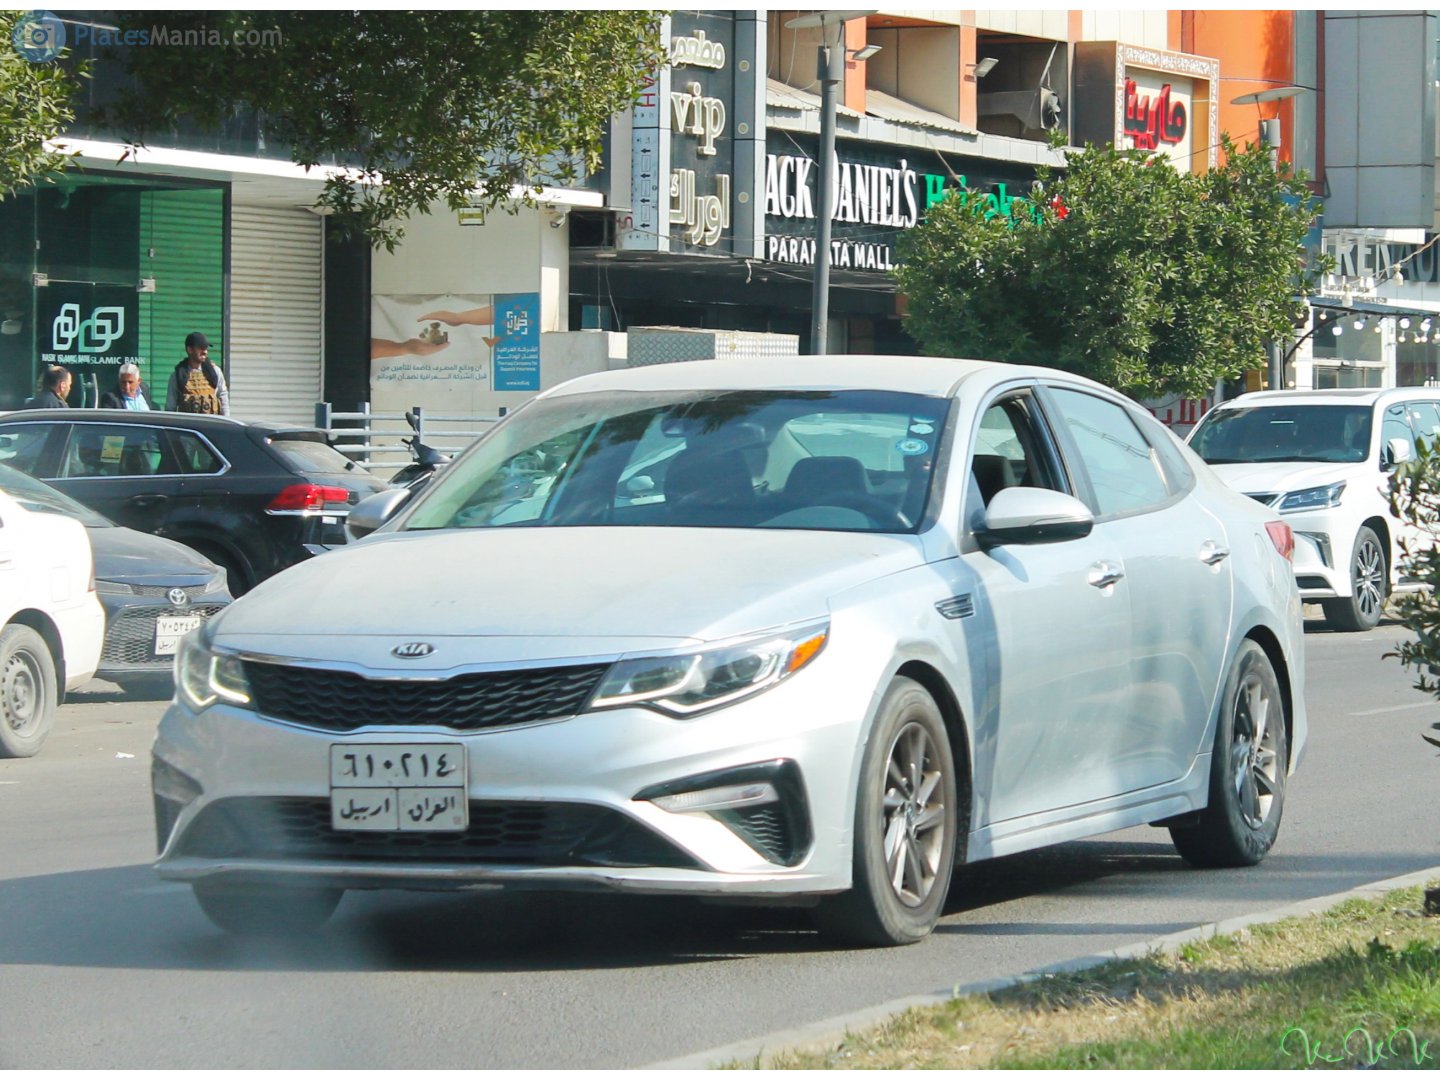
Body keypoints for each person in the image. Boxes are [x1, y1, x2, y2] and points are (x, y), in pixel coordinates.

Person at [165, 332, 230, 415]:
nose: (205, 352)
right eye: (201, 348)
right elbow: (170, 408)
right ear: (190, 350)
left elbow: (223, 396)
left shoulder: (215, 372)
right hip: (188, 426)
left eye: (206, 348)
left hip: (211, 425)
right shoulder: (178, 376)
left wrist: (226, 420)